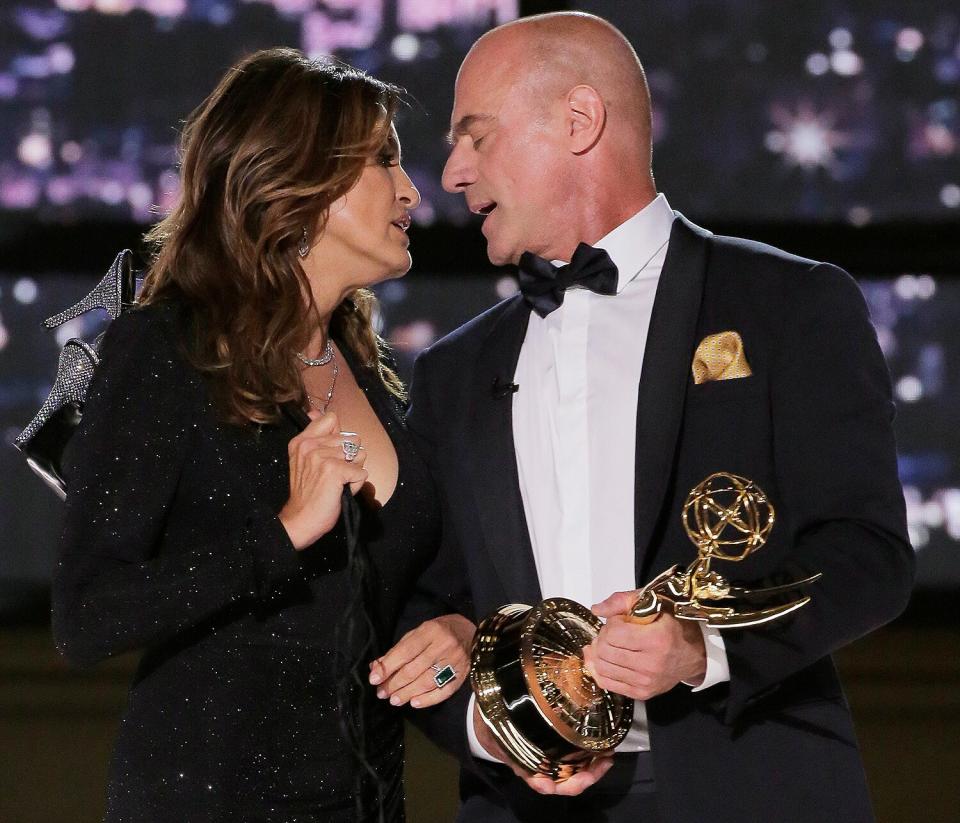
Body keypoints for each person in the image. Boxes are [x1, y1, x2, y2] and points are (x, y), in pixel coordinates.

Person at [376, 12, 915, 823]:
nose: (451, 172)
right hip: (527, 806)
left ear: (579, 121)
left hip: (753, 785)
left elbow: (867, 553)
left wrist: (705, 648)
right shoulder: (454, 371)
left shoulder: (789, 304)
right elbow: (423, 603)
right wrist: (493, 725)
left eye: (476, 138)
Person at [51, 48, 473, 823]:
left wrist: (451, 630)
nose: (413, 190)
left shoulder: (364, 368)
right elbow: (86, 615)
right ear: (301, 179)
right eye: (385, 160)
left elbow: (377, 598)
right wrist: (280, 535)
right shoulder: (168, 348)